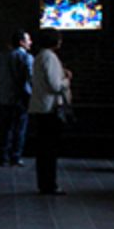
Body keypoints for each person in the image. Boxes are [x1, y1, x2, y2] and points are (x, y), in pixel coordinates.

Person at [29, 28, 72, 195]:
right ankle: (49, 184)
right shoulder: (50, 57)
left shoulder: (39, 56)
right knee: (49, 149)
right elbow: (55, 85)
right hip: (50, 108)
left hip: (40, 106)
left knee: (43, 149)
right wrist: (66, 80)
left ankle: (44, 183)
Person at [0, 29, 34, 166]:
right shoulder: (27, 57)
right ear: (21, 42)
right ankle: (16, 156)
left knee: (5, 128)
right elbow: (31, 77)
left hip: (5, 97)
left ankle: (3, 156)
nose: (30, 42)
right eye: (28, 40)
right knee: (20, 128)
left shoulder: (2, 57)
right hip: (21, 97)